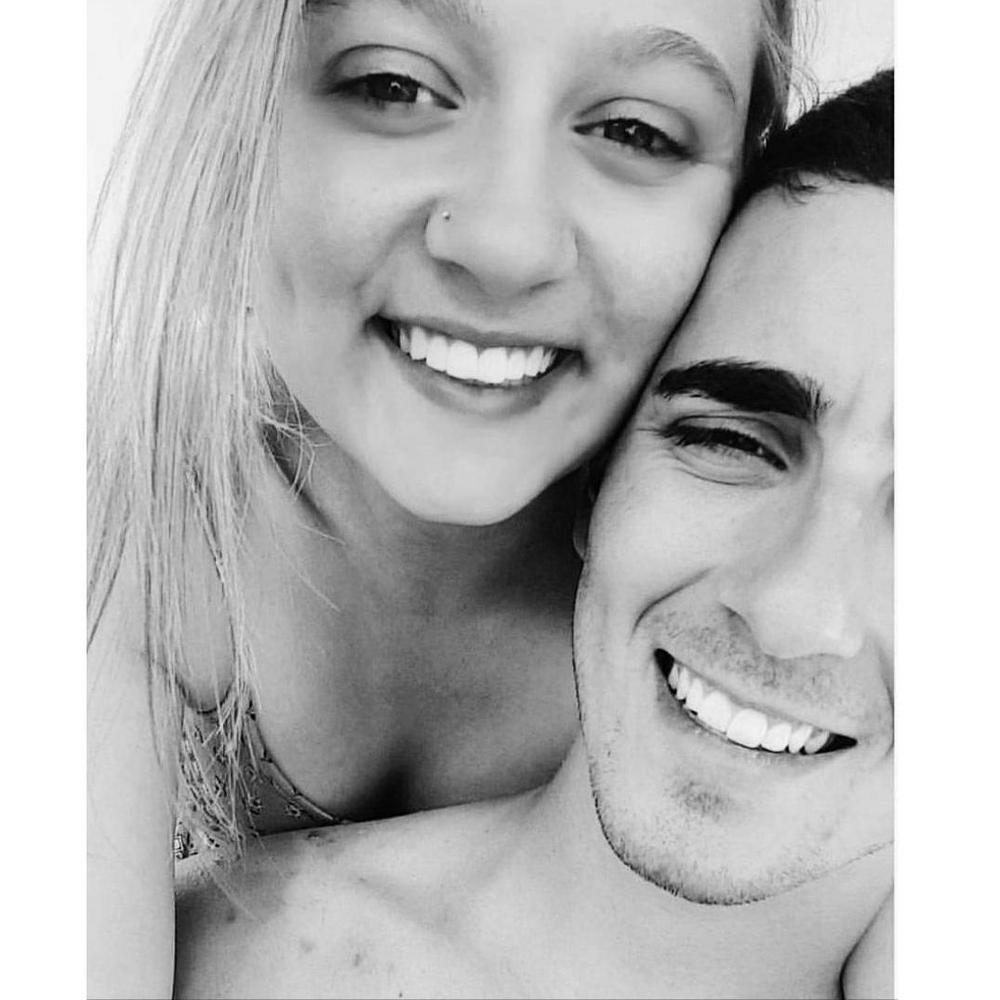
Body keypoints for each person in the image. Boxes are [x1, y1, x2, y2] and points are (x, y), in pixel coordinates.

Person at [87, 0, 802, 995]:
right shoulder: (97, 523)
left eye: (636, 131)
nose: (506, 243)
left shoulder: (795, 619)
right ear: (233, 107)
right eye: (395, 85)